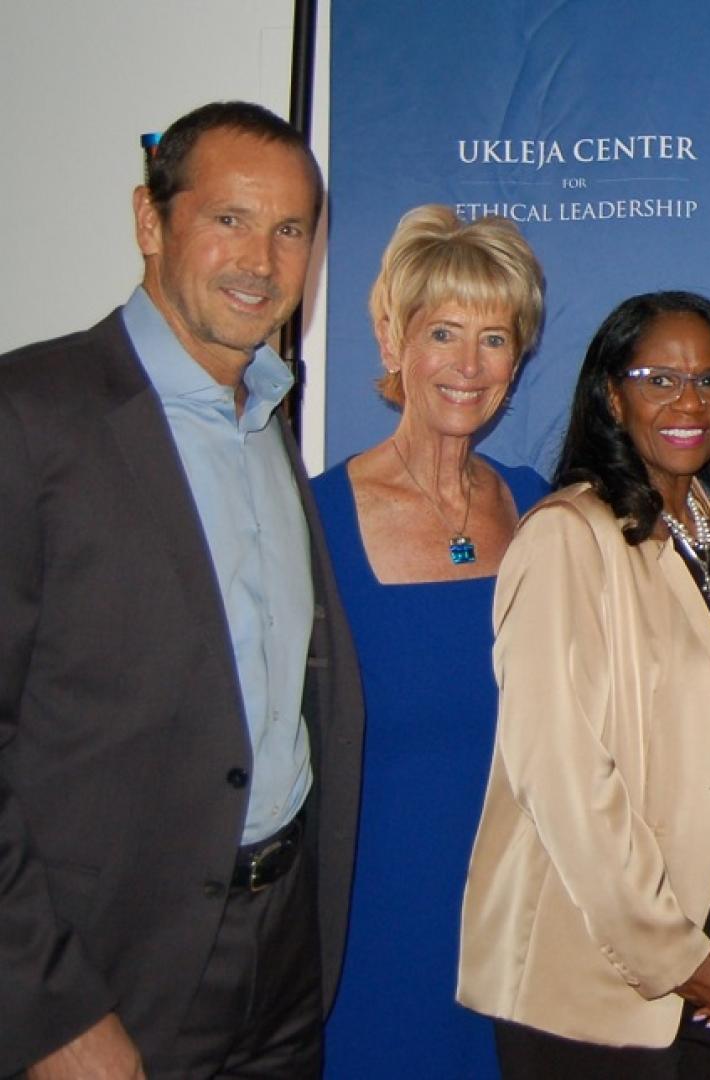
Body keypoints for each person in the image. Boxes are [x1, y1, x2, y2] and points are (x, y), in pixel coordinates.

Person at [0, 101, 363, 1078]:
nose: (262, 260)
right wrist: (50, 1014)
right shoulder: (30, 419)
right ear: (150, 222)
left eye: (290, 230)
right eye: (230, 220)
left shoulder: (264, 422)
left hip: (281, 957)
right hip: (106, 979)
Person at [456, 291, 710, 1078]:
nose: (688, 402)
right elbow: (563, 780)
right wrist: (672, 954)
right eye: (658, 378)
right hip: (595, 980)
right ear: (611, 393)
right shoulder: (568, 538)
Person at [312, 205, 547, 1078]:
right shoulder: (312, 521)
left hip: (522, 940)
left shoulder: (543, 507)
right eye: (443, 332)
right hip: (369, 939)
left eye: (495, 338)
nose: (467, 365)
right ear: (390, 339)